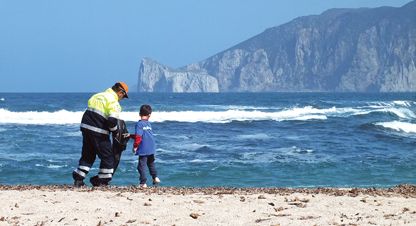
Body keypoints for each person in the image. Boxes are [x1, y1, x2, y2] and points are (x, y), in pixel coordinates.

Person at [72, 82, 129, 187]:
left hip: (85, 127)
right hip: (98, 131)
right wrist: (116, 132)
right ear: (120, 92)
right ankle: (102, 181)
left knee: (88, 154)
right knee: (107, 156)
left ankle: (78, 180)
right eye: (123, 96)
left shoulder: (97, 95)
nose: (122, 99)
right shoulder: (114, 102)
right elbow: (112, 121)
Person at [131, 104, 160, 188]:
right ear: (149, 115)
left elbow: (139, 137)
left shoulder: (139, 124)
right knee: (151, 163)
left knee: (141, 166)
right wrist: (130, 135)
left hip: (143, 148)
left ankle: (143, 183)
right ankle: (155, 177)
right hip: (151, 147)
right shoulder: (148, 124)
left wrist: (135, 146)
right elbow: (143, 135)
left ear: (139, 114)